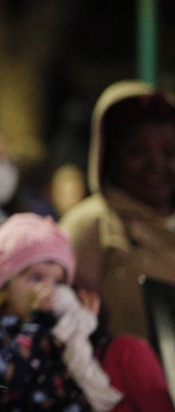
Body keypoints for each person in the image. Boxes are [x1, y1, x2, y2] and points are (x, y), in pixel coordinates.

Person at [0, 212, 174, 412]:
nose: (49, 289)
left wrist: (86, 326)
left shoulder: (58, 319)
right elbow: (4, 376)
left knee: (129, 347)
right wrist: (38, 323)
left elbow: (88, 367)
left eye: (58, 282)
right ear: (3, 283)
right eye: (36, 278)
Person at [60, 80, 175, 340]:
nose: (156, 164)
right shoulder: (90, 225)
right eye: (137, 152)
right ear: (109, 157)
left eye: (169, 153)